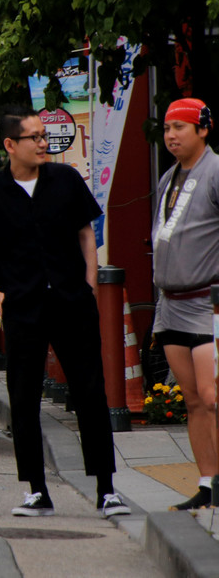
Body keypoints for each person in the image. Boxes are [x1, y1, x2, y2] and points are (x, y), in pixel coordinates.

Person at [0, 105, 131, 518]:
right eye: (34, 137)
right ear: (10, 145)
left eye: (43, 136)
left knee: (91, 393)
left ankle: (107, 489)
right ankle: (37, 490)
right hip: (23, 307)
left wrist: (89, 281)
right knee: (23, 398)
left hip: (72, 303)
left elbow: (85, 231)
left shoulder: (66, 180)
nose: (43, 143)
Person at [151, 97, 219, 510]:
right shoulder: (169, 177)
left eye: (180, 128)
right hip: (171, 304)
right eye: (166, 129)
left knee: (213, 396)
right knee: (192, 399)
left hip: (208, 301)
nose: (171, 136)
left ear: (203, 129)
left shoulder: (215, 170)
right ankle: (207, 483)